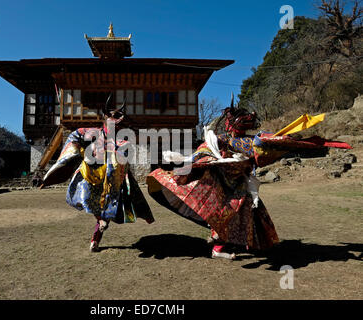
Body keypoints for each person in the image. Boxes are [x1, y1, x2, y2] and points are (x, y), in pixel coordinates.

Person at [146, 96, 352, 260]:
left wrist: (185, 160)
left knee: (236, 214)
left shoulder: (241, 141)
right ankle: (220, 248)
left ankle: (235, 244)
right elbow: (205, 154)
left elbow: (204, 154)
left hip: (236, 185)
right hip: (227, 184)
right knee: (226, 214)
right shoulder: (239, 141)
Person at [41, 96, 154, 252]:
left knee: (108, 208)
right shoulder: (92, 133)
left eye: (117, 121)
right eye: (111, 119)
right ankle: (100, 223)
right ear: (105, 120)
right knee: (88, 199)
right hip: (90, 177)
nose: (114, 124)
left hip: (112, 180)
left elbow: (124, 154)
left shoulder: (122, 140)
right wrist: (74, 148)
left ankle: (95, 239)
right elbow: (75, 135)